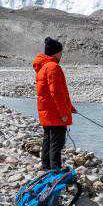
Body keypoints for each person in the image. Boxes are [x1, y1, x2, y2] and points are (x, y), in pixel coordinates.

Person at [33, 37, 76, 171]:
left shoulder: (43, 67)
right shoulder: (53, 67)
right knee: (56, 143)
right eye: (60, 52)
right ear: (56, 52)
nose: (61, 54)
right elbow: (56, 93)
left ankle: (46, 167)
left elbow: (54, 93)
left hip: (47, 112)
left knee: (48, 140)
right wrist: (64, 113)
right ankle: (55, 170)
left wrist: (70, 108)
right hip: (55, 114)